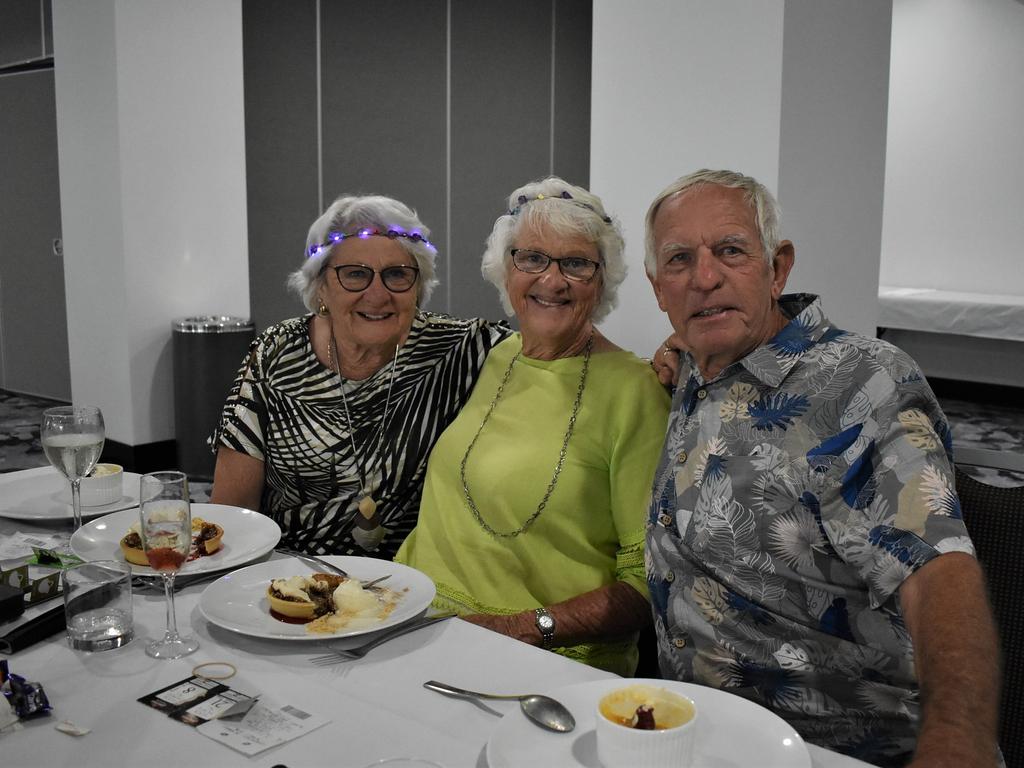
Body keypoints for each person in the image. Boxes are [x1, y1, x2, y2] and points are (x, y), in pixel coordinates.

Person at [643, 169, 1001, 767]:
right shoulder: (695, 365)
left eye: (731, 251)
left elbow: (936, 569)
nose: (705, 278)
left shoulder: (861, 381)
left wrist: (956, 742)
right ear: (659, 289)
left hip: (839, 746)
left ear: (778, 268)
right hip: (694, 733)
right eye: (680, 260)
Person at [396, 177, 671, 676]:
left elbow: (648, 582)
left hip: (539, 661)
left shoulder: (636, 391)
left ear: (603, 279)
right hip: (416, 627)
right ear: (506, 270)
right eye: (532, 258)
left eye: (576, 263)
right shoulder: (495, 354)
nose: (552, 279)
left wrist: (522, 628)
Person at [209, 195, 510, 557]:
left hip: (413, 581)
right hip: (289, 578)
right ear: (321, 287)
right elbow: (231, 511)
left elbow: (551, 349)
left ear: (418, 287)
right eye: (355, 274)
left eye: (397, 274)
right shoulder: (275, 353)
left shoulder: (460, 349)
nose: (377, 294)